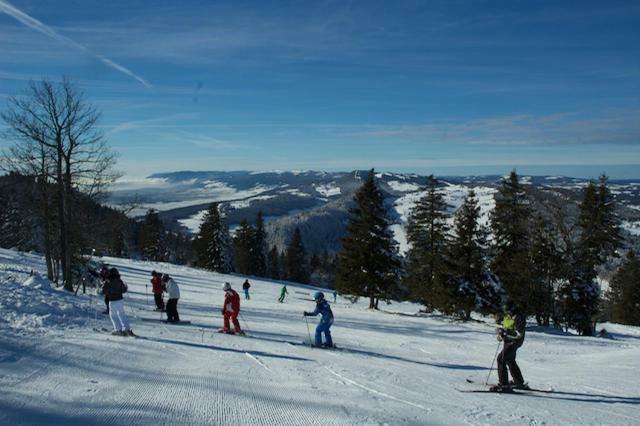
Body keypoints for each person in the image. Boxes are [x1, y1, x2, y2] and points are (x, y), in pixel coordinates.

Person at [491, 302, 527, 392]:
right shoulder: (507, 316)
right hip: (508, 341)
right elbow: (505, 327)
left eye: (508, 310)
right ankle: (518, 381)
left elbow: (519, 334)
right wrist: (500, 334)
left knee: (501, 359)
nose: (507, 312)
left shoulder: (519, 317)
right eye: (506, 310)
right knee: (510, 359)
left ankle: (504, 385)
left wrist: (506, 333)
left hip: (515, 342)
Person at [102, 267, 134, 336]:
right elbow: (124, 290)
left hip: (112, 300)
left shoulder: (107, 281)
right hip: (120, 300)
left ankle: (118, 329)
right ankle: (127, 329)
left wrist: (106, 289)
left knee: (113, 315)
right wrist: (126, 286)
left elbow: (103, 291)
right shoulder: (119, 281)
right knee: (122, 314)